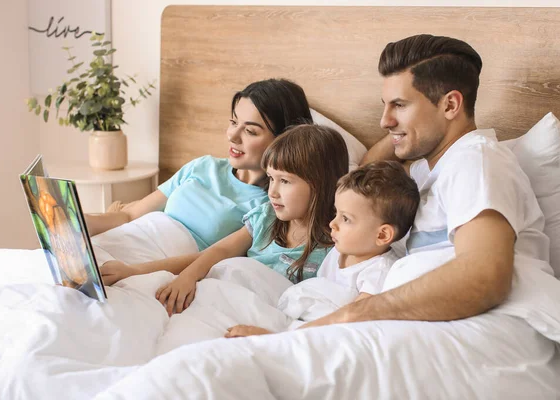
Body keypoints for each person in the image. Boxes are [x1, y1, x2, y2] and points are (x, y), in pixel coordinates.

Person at [293, 34, 551, 329]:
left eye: (400, 105)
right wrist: (402, 131)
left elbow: (484, 275)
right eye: (385, 105)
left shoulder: (475, 161)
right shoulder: (426, 171)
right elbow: (366, 178)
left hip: (482, 330)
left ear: (451, 105)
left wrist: (353, 314)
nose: (384, 120)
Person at [85, 79, 313, 282]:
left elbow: (210, 258)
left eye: (250, 131)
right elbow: (130, 215)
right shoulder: (204, 166)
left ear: (284, 140)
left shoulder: (272, 205)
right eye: (233, 123)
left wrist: (134, 271)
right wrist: (81, 223)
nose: (232, 136)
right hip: (128, 238)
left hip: (155, 266)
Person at [149, 124, 349, 315]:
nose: (272, 192)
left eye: (285, 181)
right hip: (225, 302)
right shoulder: (266, 217)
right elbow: (220, 251)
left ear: (320, 185)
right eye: (271, 178)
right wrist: (188, 276)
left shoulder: (336, 245)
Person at [225, 160, 420, 338]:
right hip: (300, 318)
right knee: (234, 270)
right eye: (336, 213)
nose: (333, 224)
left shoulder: (378, 272)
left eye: (346, 219)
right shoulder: (339, 250)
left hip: (322, 333)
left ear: (382, 235)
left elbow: (349, 321)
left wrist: (277, 336)